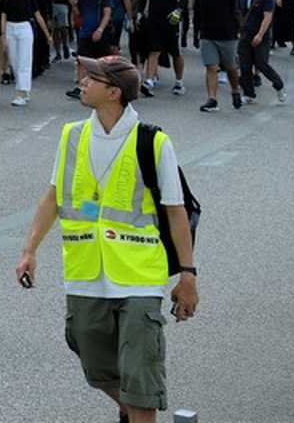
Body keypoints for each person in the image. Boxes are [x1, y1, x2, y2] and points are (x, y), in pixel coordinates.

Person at [15, 56, 198, 423]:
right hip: (86, 273)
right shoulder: (72, 135)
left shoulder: (154, 142)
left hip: (138, 276)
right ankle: (130, 412)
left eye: (91, 78)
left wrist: (188, 276)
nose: (81, 81)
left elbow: (177, 212)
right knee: (95, 365)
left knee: (140, 375)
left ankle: (138, 412)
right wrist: (29, 250)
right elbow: (54, 195)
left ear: (113, 92)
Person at [190, 0, 240, 112]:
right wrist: (195, 34)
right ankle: (212, 99)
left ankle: (235, 91)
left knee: (231, 67)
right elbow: (197, 13)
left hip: (227, 35)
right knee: (211, 67)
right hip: (208, 35)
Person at [234, 0, 285, 104]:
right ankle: (249, 93)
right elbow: (238, 14)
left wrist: (260, 35)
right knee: (245, 64)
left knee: (261, 63)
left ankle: (279, 85)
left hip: (260, 35)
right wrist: (238, 32)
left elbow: (267, 17)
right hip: (245, 34)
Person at [1, 0, 51, 106]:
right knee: (14, 62)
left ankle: (21, 93)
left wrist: (47, 34)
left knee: (24, 61)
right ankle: (23, 88)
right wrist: (3, 35)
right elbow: (3, 16)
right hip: (10, 28)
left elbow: (38, 15)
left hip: (24, 28)